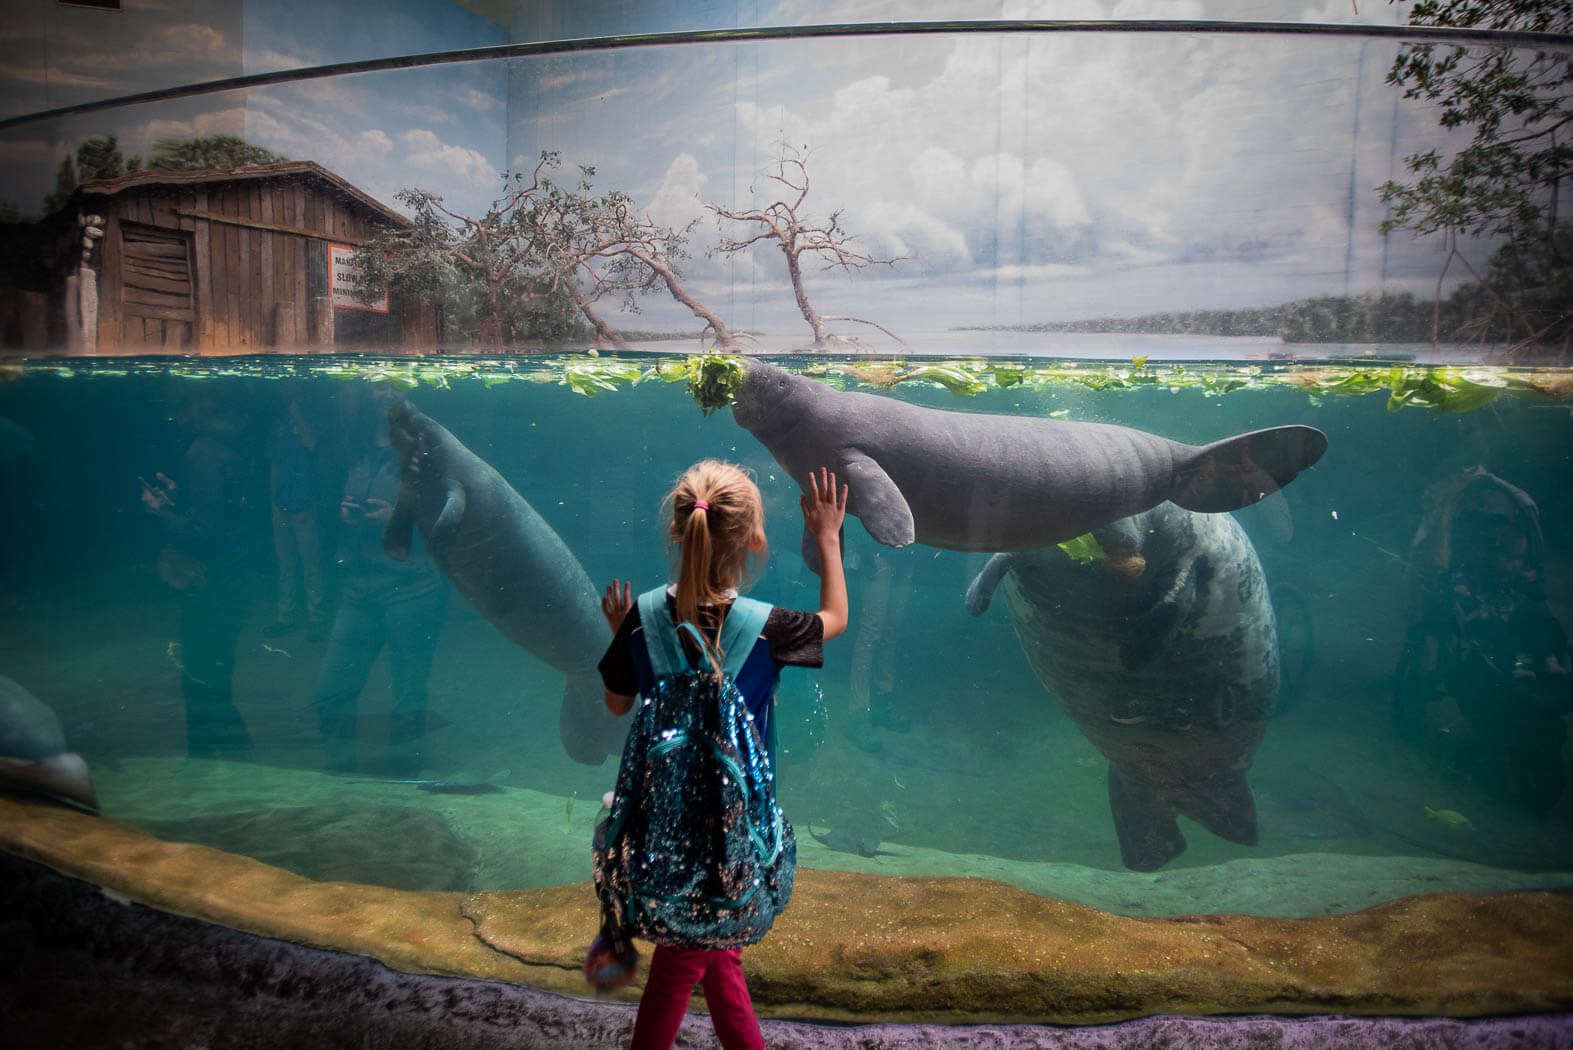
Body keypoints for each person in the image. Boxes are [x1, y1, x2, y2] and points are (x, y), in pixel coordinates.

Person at [597, 460, 849, 1050]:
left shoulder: (641, 619)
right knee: (688, 961)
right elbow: (836, 618)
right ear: (755, 540)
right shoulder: (770, 629)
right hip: (737, 833)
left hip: (661, 830)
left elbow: (615, 706)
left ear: (676, 532)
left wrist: (621, 635)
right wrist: (829, 536)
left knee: (713, 955)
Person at [312, 390, 448, 778]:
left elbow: (449, 522)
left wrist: (397, 517)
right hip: (358, 586)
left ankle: (402, 783)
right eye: (373, 388)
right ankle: (338, 772)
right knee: (331, 690)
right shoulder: (352, 449)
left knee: (407, 693)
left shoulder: (429, 452)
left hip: (412, 588)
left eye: (391, 389)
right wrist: (344, 513)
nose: (381, 396)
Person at [139, 390, 256, 763]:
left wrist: (162, 512)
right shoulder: (229, 445)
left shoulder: (203, 453)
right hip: (233, 581)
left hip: (212, 587)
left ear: (196, 405)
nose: (173, 416)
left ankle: (214, 765)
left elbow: (204, 535)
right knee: (214, 681)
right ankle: (232, 766)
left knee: (201, 683)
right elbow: (221, 517)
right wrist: (181, 502)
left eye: (177, 406)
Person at [262, 387, 327, 642]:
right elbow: (273, 465)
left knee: (311, 564)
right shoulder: (277, 426)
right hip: (281, 504)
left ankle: (317, 619)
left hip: (305, 503)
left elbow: (312, 445)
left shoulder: (312, 423)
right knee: (285, 565)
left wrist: (298, 416)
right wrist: (272, 502)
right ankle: (284, 617)